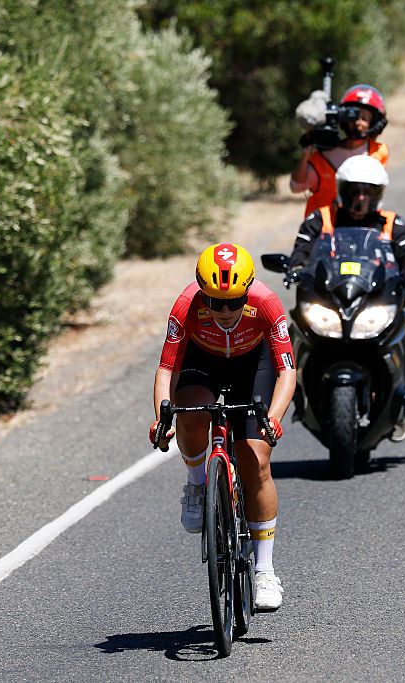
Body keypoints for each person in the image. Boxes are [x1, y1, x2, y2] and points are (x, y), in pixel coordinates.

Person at [149, 243, 296, 611]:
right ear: (203, 294)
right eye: (216, 302)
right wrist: (161, 417)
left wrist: (273, 418)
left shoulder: (266, 303)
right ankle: (198, 483)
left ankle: (264, 571)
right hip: (204, 362)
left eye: (234, 301)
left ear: (247, 291)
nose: (226, 311)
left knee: (255, 457)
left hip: (253, 366)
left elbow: (287, 371)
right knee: (190, 409)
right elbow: (168, 369)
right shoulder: (186, 306)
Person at [288, 155, 405, 441]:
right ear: (342, 190)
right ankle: (284, 396)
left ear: (379, 194)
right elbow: (301, 252)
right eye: (354, 190)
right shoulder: (321, 218)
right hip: (331, 299)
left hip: (375, 300)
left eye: (368, 192)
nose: (360, 198)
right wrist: (294, 268)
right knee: (289, 334)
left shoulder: (392, 223)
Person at [290, 84, 390, 218]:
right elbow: (297, 186)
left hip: (359, 230)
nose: (358, 123)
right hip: (322, 231)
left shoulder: (378, 153)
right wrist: (306, 149)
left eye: (365, 118)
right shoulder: (323, 156)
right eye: (353, 116)